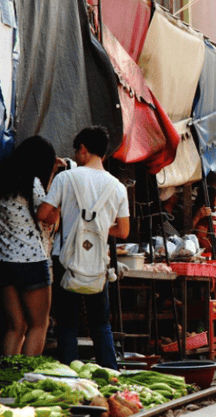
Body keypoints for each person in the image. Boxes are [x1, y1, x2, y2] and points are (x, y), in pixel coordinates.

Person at [37, 127, 129, 369]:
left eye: (77, 151)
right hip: (98, 259)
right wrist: (99, 229)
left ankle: (69, 378)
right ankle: (110, 374)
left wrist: (64, 216)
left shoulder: (65, 178)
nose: (76, 156)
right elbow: (123, 231)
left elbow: (44, 214)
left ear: (84, 149)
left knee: (68, 323)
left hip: (64, 257)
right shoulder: (118, 187)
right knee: (101, 323)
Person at [0, 136, 61, 356]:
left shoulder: (4, 181)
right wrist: (54, 177)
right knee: (38, 325)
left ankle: (5, 379)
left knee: (16, 327)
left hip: (5, 262)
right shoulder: (33, 183)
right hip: (32, 262)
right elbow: (48, 216)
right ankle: (25, 380)